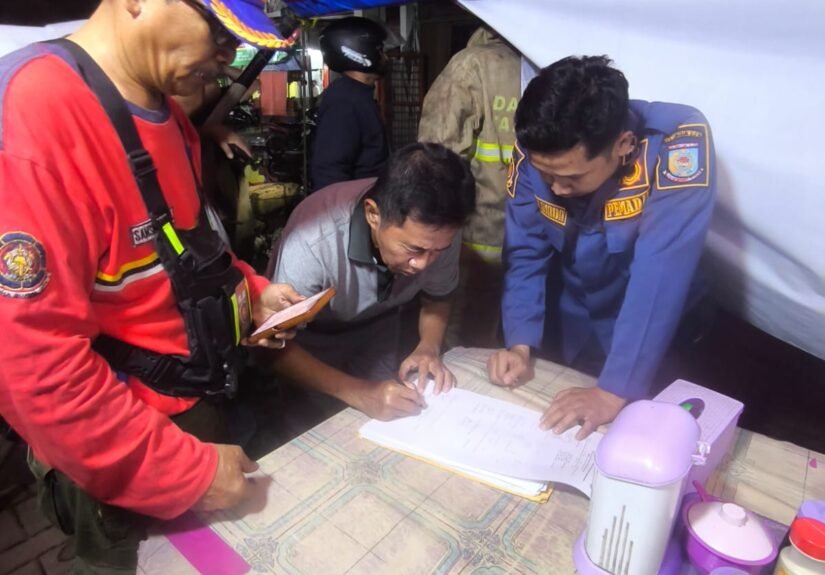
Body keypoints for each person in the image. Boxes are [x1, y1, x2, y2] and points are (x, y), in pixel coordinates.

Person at [0, 0, 303, 572]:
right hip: (120, 443)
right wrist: (179, 474)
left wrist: (252, 292)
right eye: (216, 29)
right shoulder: (36, 115)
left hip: (196, 411)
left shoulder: (170, 119)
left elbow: (187, 260)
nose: (227, 54)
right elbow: (32, 366)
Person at [488, 56, 716, 439]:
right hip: (574, 314)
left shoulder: (677, 144)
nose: (555, 189)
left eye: (570, 178)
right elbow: (525, 252)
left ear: (623, 145)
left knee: (646, 434)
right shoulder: (538, 147)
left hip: (653, 328)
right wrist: (520, 343)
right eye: (546, 175)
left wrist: (613, 389)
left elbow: (659, 275)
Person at [267, 143, 476, 420]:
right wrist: (361, 392)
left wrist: (429, 346)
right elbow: (273, 348)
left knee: (385, 416)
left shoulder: (438, 236)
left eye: (438, 250)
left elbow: (438, 295)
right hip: (310, 338)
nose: (425, 263)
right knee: (311, 422)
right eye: (413, 250)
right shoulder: (312, 241)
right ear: (373, 215)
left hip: (379, 325)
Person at [418, 26, 521, 348]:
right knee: (515, 340)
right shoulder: (547, 66)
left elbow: (435, 161)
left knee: (464, 344)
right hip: (536, 242)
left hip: (475, 241)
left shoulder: (471, 66)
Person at [310, 16, 389, 191]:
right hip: (355, 209)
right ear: (361, 52)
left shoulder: (357, 94)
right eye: (380, 50)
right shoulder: (345, 100)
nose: (386, 57)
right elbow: (330, 171)